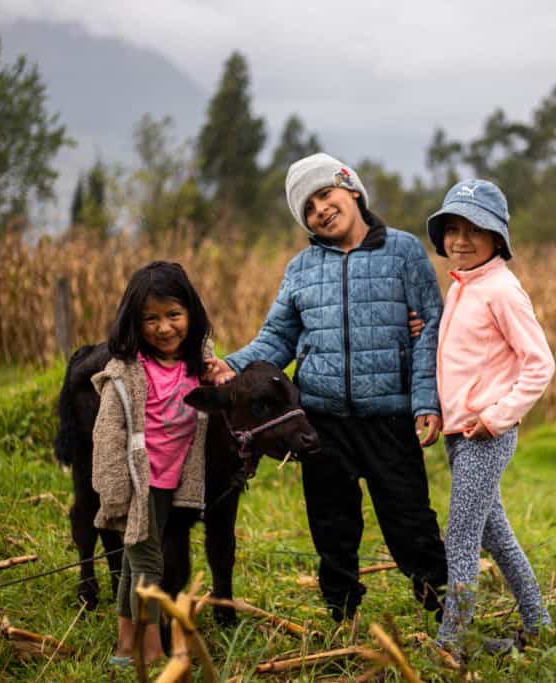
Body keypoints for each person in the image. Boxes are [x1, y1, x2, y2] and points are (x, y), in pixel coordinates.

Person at [205, 152, 448, 622]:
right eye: (308, 208)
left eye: (325, 194)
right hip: (322, 422)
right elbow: (278, 337)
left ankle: (448, 616)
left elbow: (431, 330)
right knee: (332, 527)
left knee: (411, 523)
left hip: (390, 418)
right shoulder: (301, 268)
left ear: (351, 190)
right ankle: (343, 618)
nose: (320, 209)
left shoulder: (403, 252)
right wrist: (229, 367)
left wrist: (425, 401)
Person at [425, 179, 555, 658]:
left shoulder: (502, 290)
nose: (460, 239)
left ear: (497, 237)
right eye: (452, 229)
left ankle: (452, 641)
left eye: (473, 229)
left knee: (460, 539)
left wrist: (498, 417)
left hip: (485, 435)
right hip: (461, 436)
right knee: (496, 536)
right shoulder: (463, 287)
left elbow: (540, 362)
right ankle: (539, 623)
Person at [91, 261, 211, 667]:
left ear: (190, 314)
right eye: (151, 319)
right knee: (148, 563)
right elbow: (107, 435)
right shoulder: (127, 372)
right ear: (134, 322)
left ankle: (126, 648)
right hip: (139, 484)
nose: (164, 328)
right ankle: (152, 652)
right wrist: (114, 491)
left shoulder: (197, 364)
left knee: (132, 562)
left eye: (174, 315)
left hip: (170, 480)